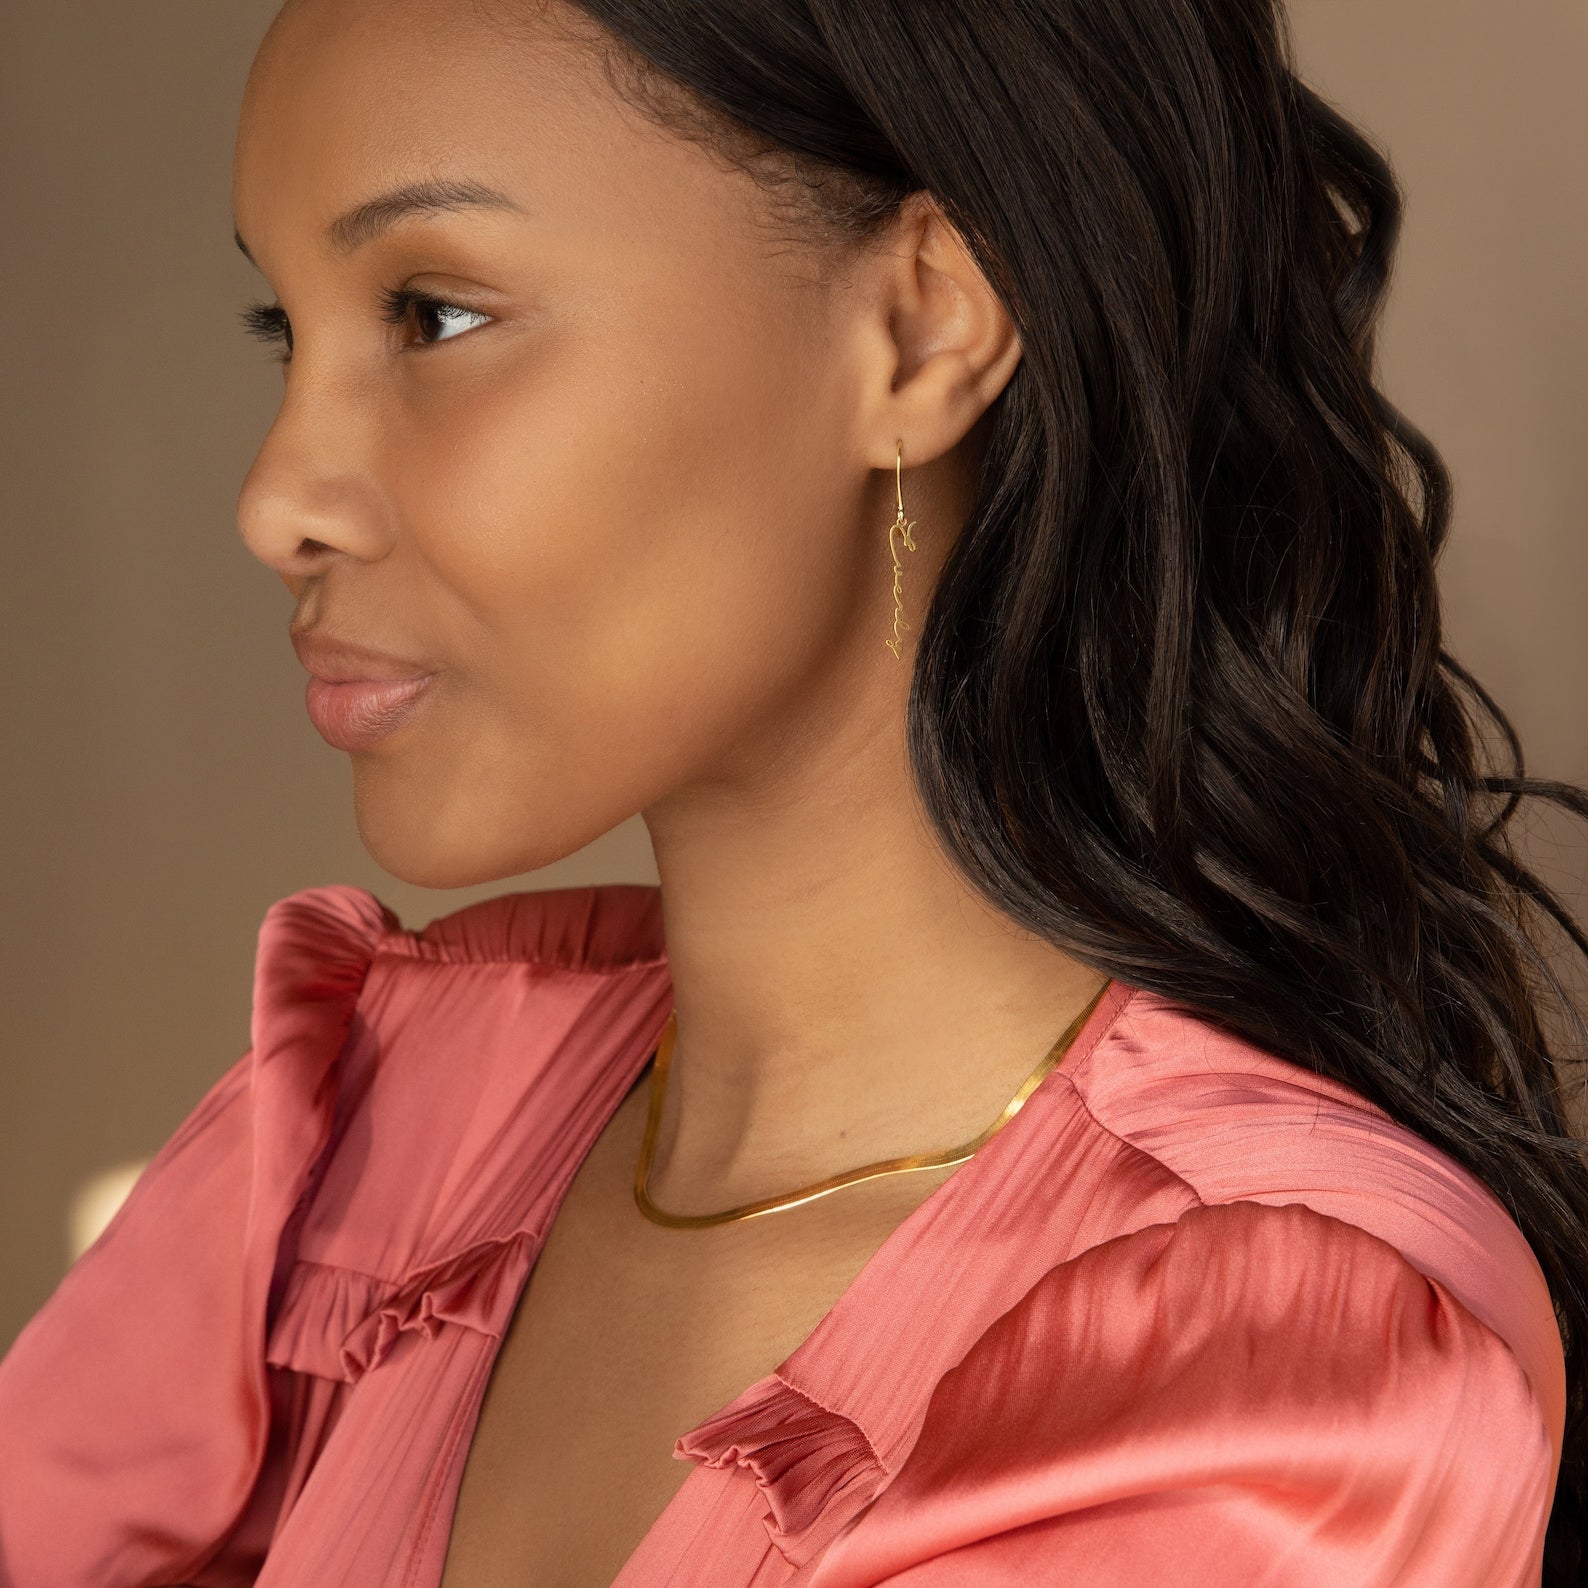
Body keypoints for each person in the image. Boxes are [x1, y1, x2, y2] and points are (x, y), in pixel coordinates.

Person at [0, 0, 1583, 1582]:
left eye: (434, 315)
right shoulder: (368, 1145)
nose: (278, 499)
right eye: (292, 330)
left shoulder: (1257, 1387)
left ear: (920, 328)